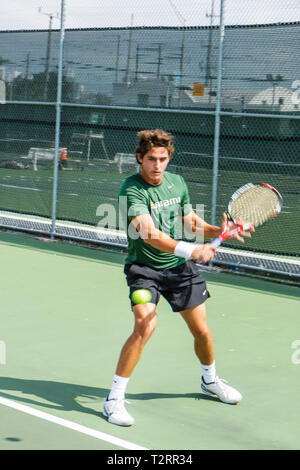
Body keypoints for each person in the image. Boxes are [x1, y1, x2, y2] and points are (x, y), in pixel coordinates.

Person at [103, 129, 253, 426]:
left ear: (169, 158)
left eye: (162, 159)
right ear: (139, 158)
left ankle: (210, 381)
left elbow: (189, 221)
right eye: (150, 159)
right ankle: (114, 399)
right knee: (145, 325)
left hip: (179, 271)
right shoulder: (131, 189)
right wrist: (192, 250)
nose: (157, 165)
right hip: (144, 271)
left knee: (203, 332)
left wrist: (219, 232)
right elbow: (148, 234)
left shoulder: (177, 183)